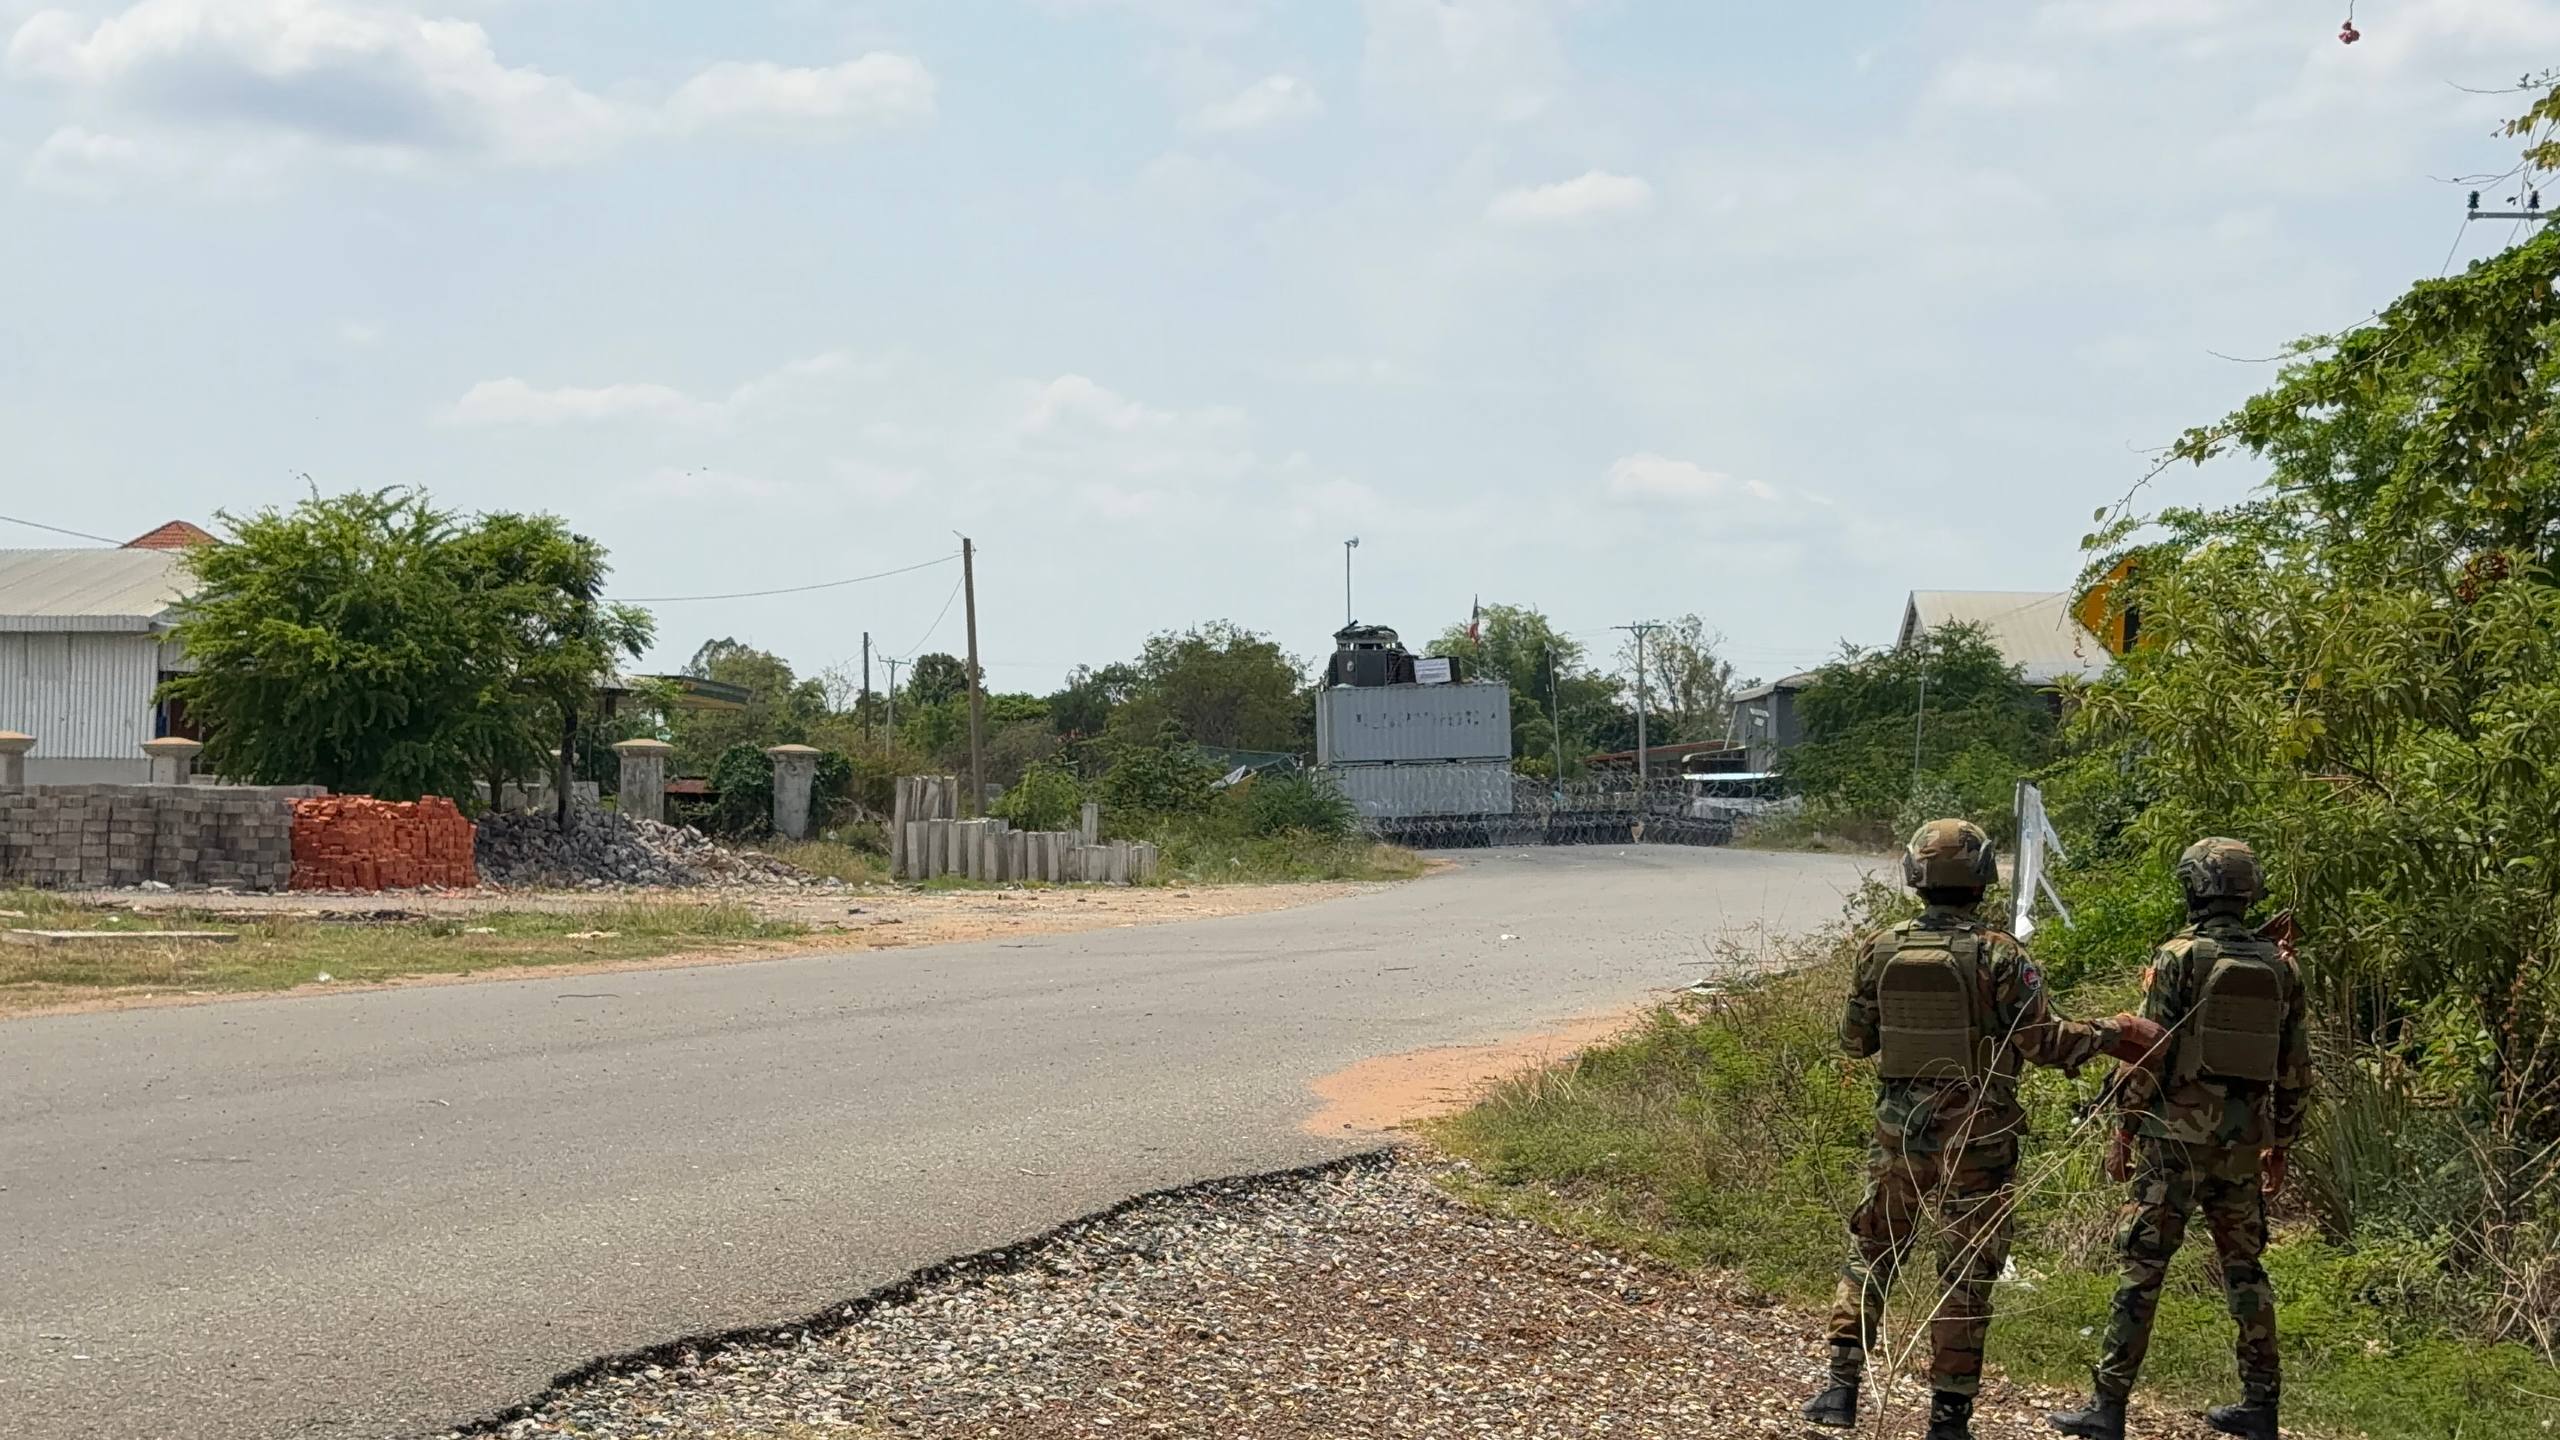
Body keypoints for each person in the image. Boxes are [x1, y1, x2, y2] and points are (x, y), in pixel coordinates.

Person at [1804, 819, 2164, 1440]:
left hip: (1899, 1133)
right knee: (1966, 1271)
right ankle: (1948, 1418)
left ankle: (1840, 1389)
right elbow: (2045, 1043)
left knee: (1873, 1251)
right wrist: (2117, 1032)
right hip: (1979, 1136)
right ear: (1980, 877)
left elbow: (1854, 1041)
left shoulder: (1879, 947)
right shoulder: (2002, 954)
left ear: (1916, 876)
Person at [2050, 837, 2312, 1440]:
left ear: (2194, 887)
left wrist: (2124, 1127)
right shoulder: (2282, 966)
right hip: (2242, 1144)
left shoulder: (2178, 956)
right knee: (2245, 1270)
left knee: (2142, 1267)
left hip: (2172, 1141)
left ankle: (2108, 1407)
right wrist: (2281, 1145)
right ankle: (2261, 1406)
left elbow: (2150, 1049)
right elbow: (2296, 1067)